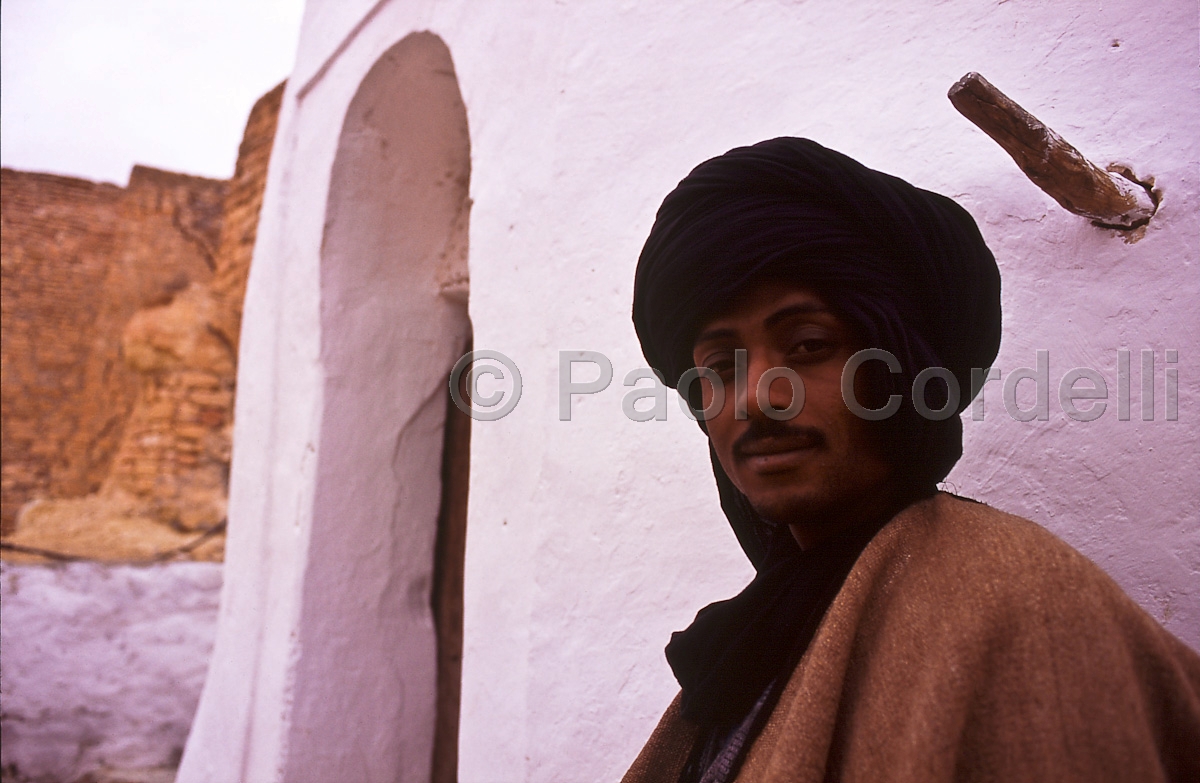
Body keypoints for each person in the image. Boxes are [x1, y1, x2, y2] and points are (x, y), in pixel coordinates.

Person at [622, 138, 1200, 783]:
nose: (758, 396)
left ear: (899, 376)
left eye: (809, 345)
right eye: (721, 367)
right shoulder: (753, 640)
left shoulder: (1019, 611)